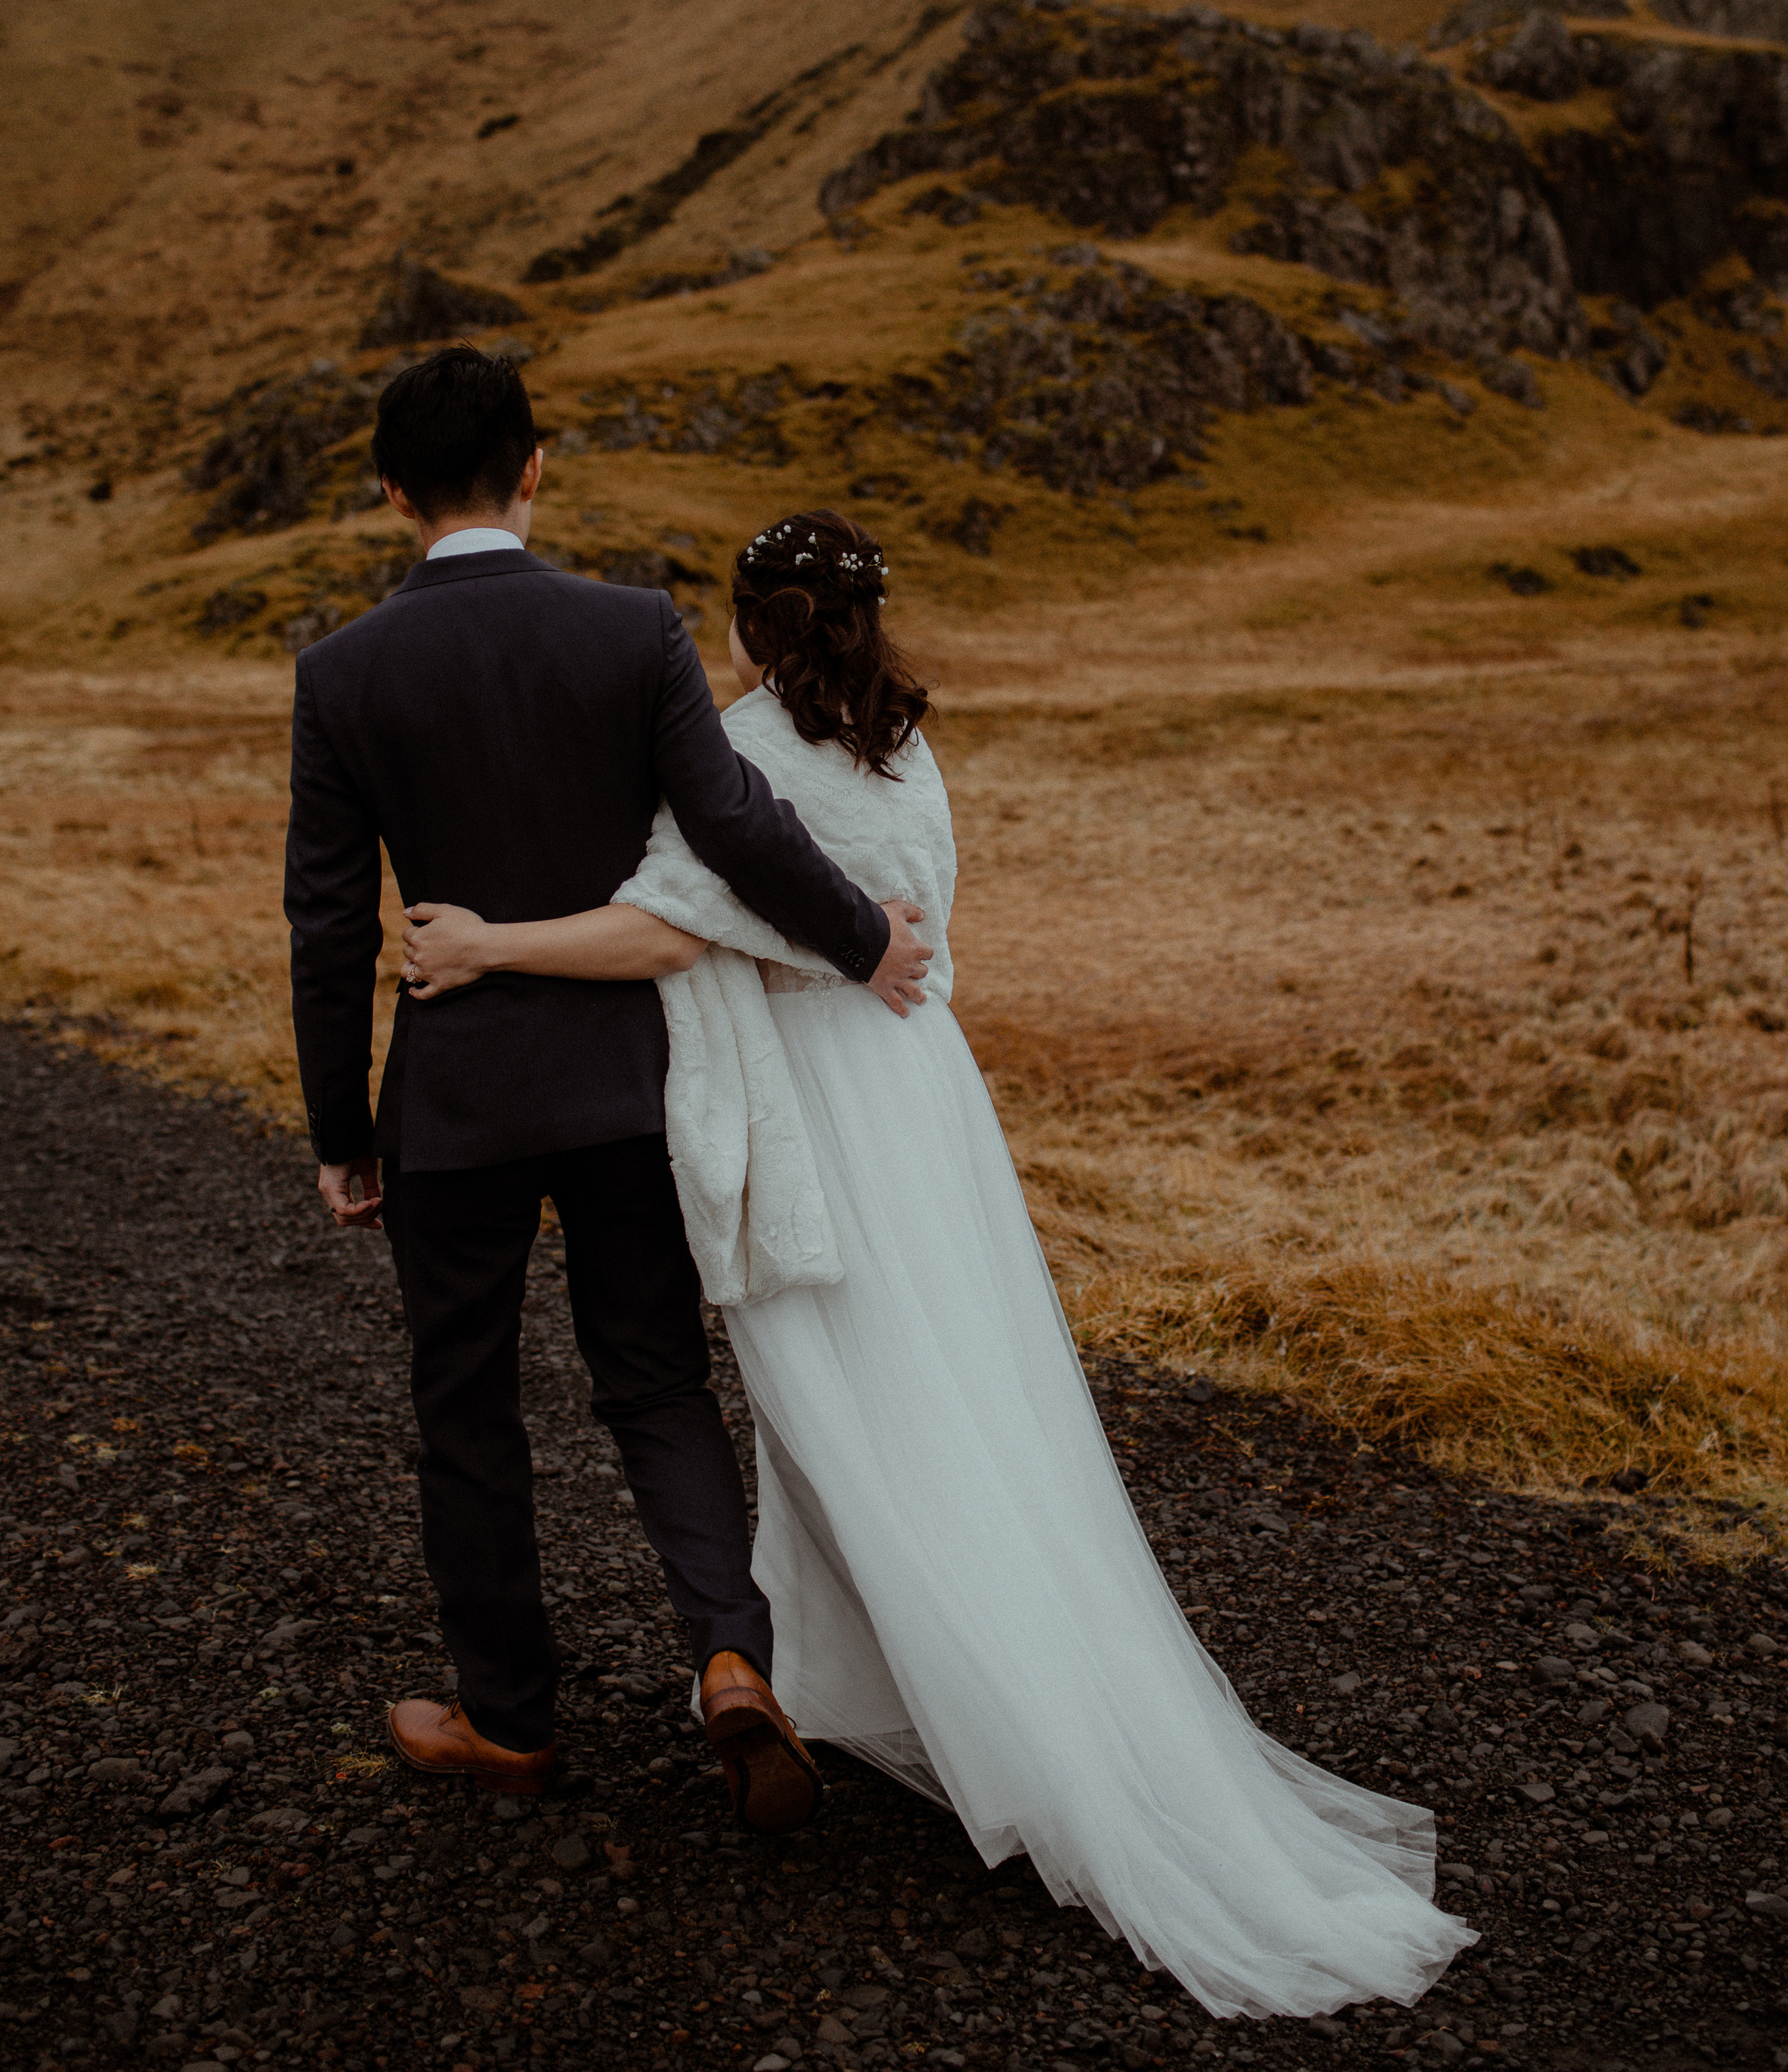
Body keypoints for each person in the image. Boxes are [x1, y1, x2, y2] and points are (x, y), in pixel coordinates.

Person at [398, 505, 1475, 2023]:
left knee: (858, 1413)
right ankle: (848, 1681)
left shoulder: (744, 750)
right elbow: (911, 934)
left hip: (823, 1115)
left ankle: (1002, 1724)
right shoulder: (904, 749)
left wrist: (486, 946)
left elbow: (664, 934)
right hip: (919, 1092)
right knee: (961, 1398)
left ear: (751, 625)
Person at [284, 349, 931, 1824]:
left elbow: (325, 922)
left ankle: (510, 1721)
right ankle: (729, 1655)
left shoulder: (342, 673)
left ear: (390, 492)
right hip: (628, 1085)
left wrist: (342, 1129)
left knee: (465, 1406)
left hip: (451, 1104)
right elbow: (737, 822)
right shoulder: (631, 628)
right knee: (653, 1381)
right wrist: (863, 941)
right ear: (535, 468)